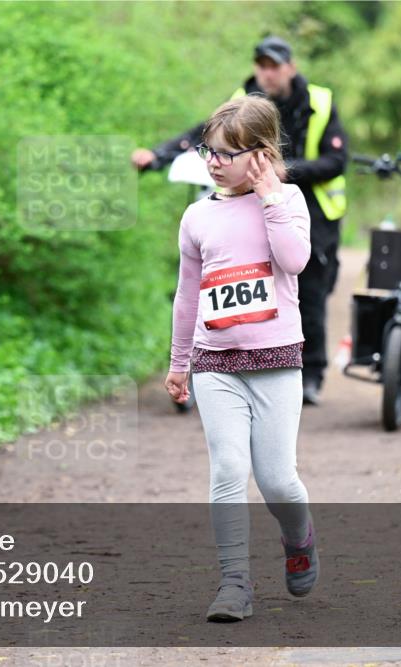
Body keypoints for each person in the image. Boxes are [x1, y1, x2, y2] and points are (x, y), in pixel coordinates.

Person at [164, 95, 318, 622]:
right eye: (209, 150)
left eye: (226, 153)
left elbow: (295, 261)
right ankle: (234, 585)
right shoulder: (196, 216)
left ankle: (298, 539)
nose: (212, 161)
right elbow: (188, 296)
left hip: (276, 361)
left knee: (276, 479)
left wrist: (271, 197)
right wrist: (179, 362)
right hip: (215, 363)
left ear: (259, 153)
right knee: (229, 468)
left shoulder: (289, 200)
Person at [135, 36, 348, 405]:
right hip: (244, 201)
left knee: (310, 292)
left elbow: (336, 161)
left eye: (274, 65)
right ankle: (230, 369)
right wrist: (158, 155)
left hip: (308, 205)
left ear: (290, 68)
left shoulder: (320, 101)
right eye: (260, 65)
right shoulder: (241, 100)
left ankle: (309, 374)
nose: (266, 72)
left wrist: (278, 176)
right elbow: (201, 136)